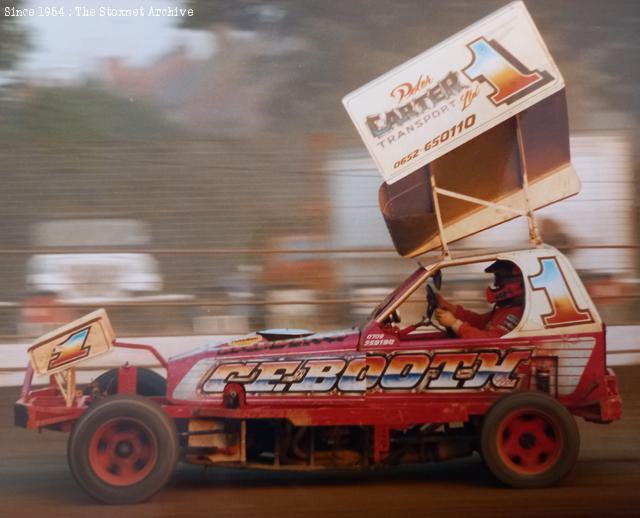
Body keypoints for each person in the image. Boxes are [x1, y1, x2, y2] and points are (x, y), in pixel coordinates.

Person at [435, 260, 524, 339]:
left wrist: (454, 324)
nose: (496, 283)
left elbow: (489, 341)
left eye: (500, 279)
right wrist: (451, 308)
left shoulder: (516, 315)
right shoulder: (505, 310)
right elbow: (479, 321)